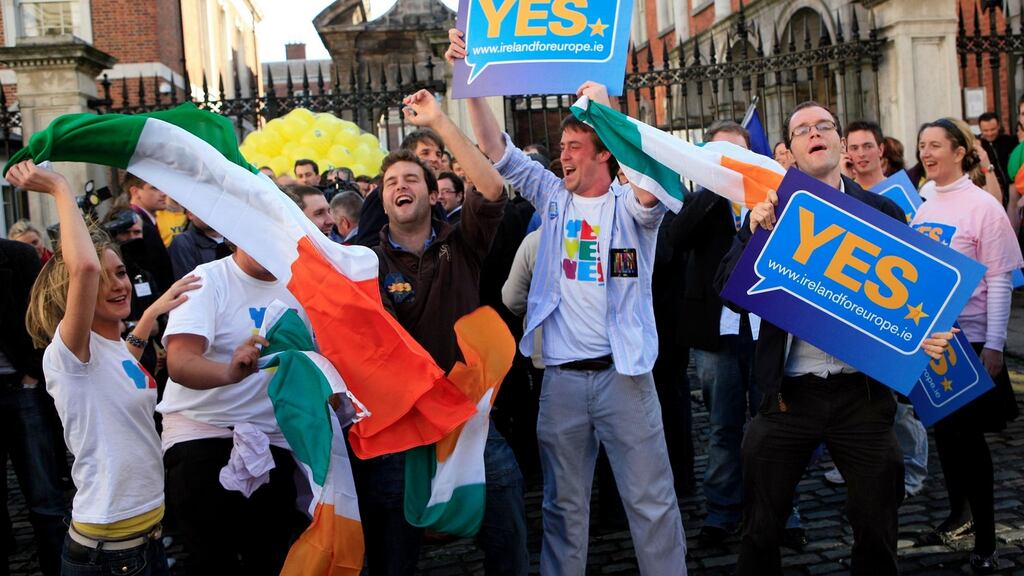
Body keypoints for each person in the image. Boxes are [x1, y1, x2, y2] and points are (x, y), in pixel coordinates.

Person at [449, 29, 687, 575]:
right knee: (562, 507)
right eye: (561, 150)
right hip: (559, 382)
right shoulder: (553, 199)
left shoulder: (632, 207)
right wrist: (474, 82)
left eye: (574, 148)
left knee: (650, 503)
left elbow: (651, 187)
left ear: (604, 153)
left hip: (624, 379)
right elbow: (499, 151)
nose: (563, 157)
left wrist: (606, 113)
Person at [717, 101, 956, 575]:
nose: (814, 133)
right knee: (761, 523)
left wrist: (929, 334)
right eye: (802, 129)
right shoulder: (772, 210)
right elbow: (729, 295)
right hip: (787, 398)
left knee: (876, 522)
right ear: (790, 152)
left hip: (861, 399)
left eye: (823, 125)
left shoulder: (882, 209)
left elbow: (919, 298)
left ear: (840, 144)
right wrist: (751, 232)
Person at [356, 89, 527, 576]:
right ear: (382, 198)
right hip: (398, 427)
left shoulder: (463, 240)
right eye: (391, 181)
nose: (400, 185)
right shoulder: (363, 262)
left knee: (507, 521)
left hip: (465, 417)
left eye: (412, 178)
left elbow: (492, 187)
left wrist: (439, 120)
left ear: (433, 195)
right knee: (393, 551)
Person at [10, 160, 199, 576]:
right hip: (110, 554)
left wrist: (149, 316)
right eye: (104, 280)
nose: (119, 284)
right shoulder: (68, 354)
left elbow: (123, 369)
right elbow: (84, 266)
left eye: (122, 274)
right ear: (77, 291)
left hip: (145, 542)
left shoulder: (111, 347)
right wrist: (59, 187)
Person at [912, 117, 1022, 573]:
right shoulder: (921, 202)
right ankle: (959, 517)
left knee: (971, 443)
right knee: (948, 439)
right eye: (922, 145)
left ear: (960, 152)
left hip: (972, 339)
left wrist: (994, 345)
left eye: (936, 145)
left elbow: (999, 279)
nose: (927, 152)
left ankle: (988, 539)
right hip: (934, 340)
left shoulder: (983, 207)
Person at [160, 243, 309, 575]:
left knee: (271, 558)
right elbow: (180, 361)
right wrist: (229, 373)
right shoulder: (207, 280)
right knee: (213, 561)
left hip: (275, 443)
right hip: (204, 438)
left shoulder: (305, 283)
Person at [672, 121, 764, 544]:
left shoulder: (771, 197)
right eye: (721, 154)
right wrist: (714, 185)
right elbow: (678, 237)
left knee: (773, 428)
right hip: (716, 331)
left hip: (766, 332)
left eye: (738, 153)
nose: (732, 161)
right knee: (723, 426)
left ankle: (783, 512)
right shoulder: (700, 199)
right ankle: (722, 510)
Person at [0, 235, 66, 576]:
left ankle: (58, 566)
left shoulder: (18, 256)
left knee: (44, 495)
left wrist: (31, 375)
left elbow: (45, 317)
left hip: (21, 387)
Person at [123, 173, 174, 298]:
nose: (163, 193)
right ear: (135, 191)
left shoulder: (148, 222)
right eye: (154, 188)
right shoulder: (133, 225)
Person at [167, 210, 230, 280]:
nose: (211, 213)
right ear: (190, 214)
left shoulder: (234, 238)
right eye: (204, 209)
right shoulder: (184, 242)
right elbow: (191, 282)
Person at [846, 120, 887, 189]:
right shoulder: (844, 192)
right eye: (854, 148)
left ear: (880, 149)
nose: (861, 154)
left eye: (868, 146)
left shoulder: (898, 189)